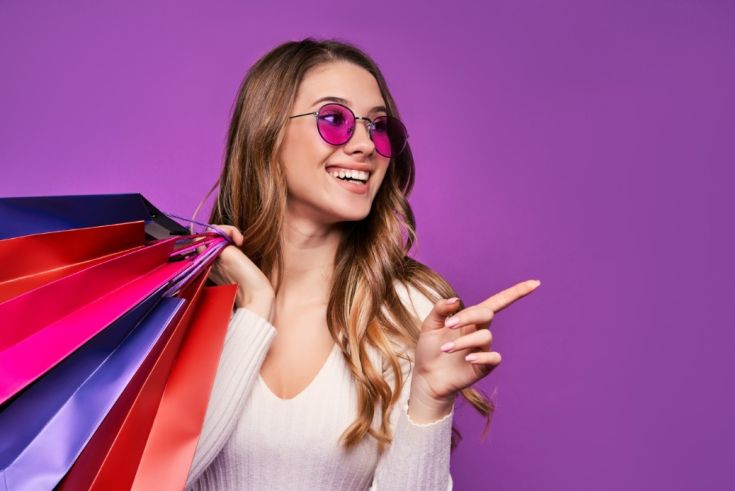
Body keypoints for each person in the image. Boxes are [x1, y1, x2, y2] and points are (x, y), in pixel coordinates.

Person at [184, 37, 540, 490]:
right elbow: (153, 480)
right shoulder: (182, 304)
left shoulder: (411, 309)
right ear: (266, 133)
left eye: (378, 128)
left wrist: (429, 402)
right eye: (334, 120)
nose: (365, 146)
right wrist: (255, 307)